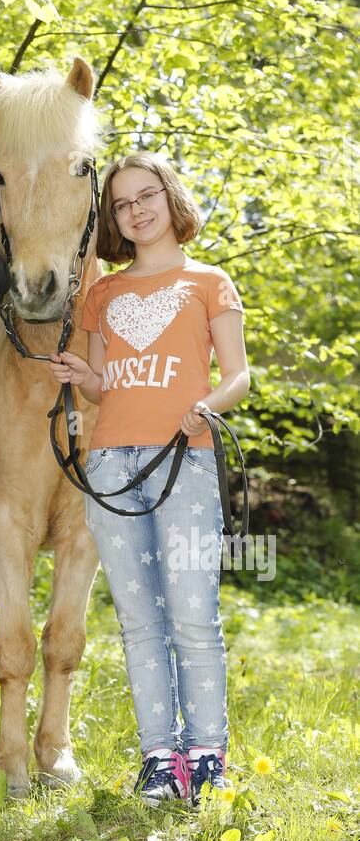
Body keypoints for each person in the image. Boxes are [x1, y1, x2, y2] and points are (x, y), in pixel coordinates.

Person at [48, 152, 249, 807]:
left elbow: (239, 377)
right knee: (140, 623)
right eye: (121, 204)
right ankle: (160, 759)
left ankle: (208, 757)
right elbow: (109, 386)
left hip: (183, 460)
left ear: (169, 198)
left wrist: (207, 407)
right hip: (111, 465)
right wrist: (84, 379)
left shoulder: (209, 281)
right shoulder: (103, 294)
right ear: (113, 218)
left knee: (193, 617)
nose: (134, 210)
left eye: (145, 196)